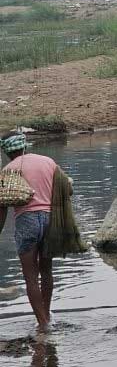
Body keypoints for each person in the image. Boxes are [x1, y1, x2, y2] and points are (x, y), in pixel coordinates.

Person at [0, 132, 69, 331]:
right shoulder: (48, 162)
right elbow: (66, 188)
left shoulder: (8, 171)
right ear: (25, 146)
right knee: (46, 271)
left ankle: (43, 324)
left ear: (7, 151)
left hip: (26, 220)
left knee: (31, 277)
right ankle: (46, 314)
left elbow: (2, 207)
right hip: (49, 219)